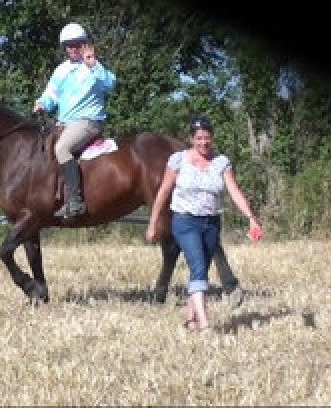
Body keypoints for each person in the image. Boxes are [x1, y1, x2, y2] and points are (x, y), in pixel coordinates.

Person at [145, 115, 263, 332]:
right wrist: (153, 222)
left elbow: (234, 191)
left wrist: (251, 218)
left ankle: (190, 320)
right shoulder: (178, 160)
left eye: (207, 138)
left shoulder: (221, 163)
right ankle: (205, 325)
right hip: (184, 221)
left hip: (211, 223)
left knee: (200, 272)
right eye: (199, 138)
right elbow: (163, 192)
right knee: (198, 268)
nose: (203, 143)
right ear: (192, 139)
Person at [33, 22, 117, 218]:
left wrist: (94, 64)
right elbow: (51, 95)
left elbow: (110, 84)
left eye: (77, 44)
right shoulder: (60, 71)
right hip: (64, 124)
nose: (73, 48)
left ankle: (75, 201)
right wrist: (42, 103)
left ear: (85, 44)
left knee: (62, 148)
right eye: (69, 45)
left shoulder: (93, 67)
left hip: (88, 122)